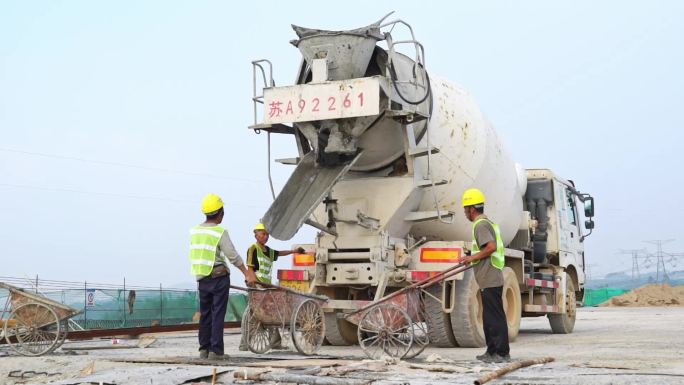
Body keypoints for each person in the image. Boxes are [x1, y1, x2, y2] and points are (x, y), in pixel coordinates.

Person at [189, 193, 256, 360]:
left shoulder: (195, 231)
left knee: (205, 314)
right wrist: (247, 272)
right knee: (218, 313)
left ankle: (204, 349)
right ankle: (216, 351)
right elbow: (231, 255)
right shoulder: (219, 231)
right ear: (220, 212)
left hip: (202, 277)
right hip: (218, 277)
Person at [461, 188, 510, 363]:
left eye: (465, 209)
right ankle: (491, 352)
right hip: (486, 277)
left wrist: (471, 257)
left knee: (495, 316)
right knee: (488, 316)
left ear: (471, 209)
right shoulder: (485, 223)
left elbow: (491, 247)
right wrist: (472, 254)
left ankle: (502, 353)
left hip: (490, 277)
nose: (465, 213)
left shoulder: (480, 224)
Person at [239, 222, 305, 351]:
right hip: (257, 285)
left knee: (271, 312)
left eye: (267, 235)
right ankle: (244, 343)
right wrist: (253, 283)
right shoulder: (253, 249)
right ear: (256, 235)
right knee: (254, 314)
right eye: (263, 234)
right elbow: (250, 268)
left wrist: (294, 251)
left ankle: (275, 341)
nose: (266, 237)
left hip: (267, 286)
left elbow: (279, 253)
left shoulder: (268, 251)